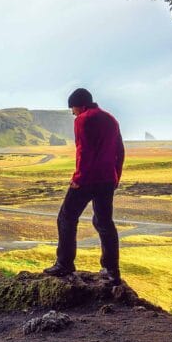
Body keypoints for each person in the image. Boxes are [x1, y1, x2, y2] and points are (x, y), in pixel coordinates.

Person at [43, 88, 125, 284]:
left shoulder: (83, 119)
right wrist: (116, 177)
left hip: (87, 179)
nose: (73, 112)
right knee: (104, 223)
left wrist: (78, 178)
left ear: (80, 105)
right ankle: (112, 270)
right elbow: (120, 150)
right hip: (106, 179)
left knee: (66, 218)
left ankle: (64, 264)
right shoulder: (111, 119)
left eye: (73, 108)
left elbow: (84, 152)